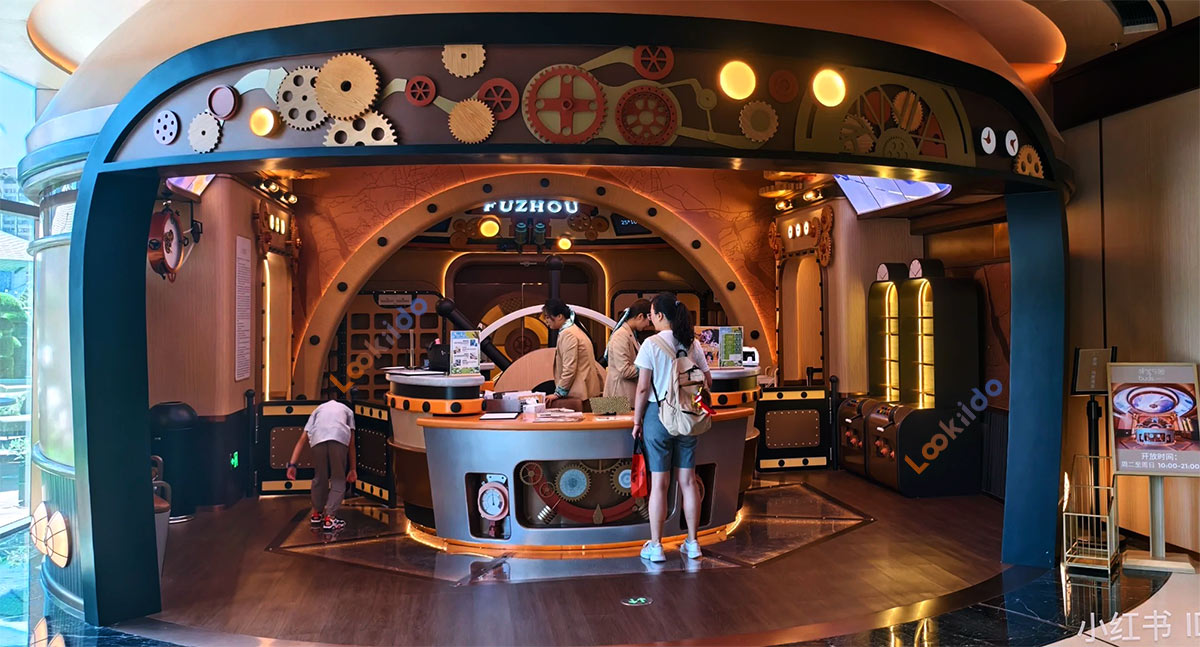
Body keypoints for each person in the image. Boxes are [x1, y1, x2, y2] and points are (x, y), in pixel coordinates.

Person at [631, 293, 711, 562]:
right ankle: (693, 543)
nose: (650, 318)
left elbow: (643, 388)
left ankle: (656, 546)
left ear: (660, 315)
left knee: (660, 484)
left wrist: (637, 421)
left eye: (652, 314)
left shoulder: (650, 344)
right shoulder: (692, 344)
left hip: (658, 416)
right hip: (688, 416)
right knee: (688, 481)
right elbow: (707, 380)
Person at [286, 398, 357, 531]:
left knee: (319, 476)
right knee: (338, 478)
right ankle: (330, 518)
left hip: (317, 439)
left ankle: (316, 514)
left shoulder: (317, 410)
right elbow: (351, 443)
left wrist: (292, 465)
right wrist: (353, 469)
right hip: (339, 437)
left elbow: (302, 439)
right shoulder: (348, 411)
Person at [542, 299, 604, 406]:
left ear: (559, 316)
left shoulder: (568, 334)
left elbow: (569, 367)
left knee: (622, 409)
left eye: (547, 317)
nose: (546, 321)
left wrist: (558, 393)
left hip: (580, 394)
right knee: (620, 409)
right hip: (590, 390)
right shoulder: (576, 329)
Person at [603, 299, 652, 403]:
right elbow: (625, 371)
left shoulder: (630, 334)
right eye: (649, 320)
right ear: (640, 316)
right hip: (618, 398)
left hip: (622, 395)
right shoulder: (621, 336)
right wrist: (647, 367)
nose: (648, 324)